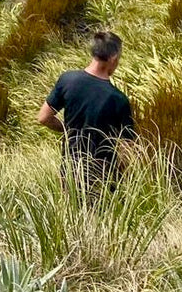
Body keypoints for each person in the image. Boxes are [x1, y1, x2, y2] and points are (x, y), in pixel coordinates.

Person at [37, 29, 135, 185]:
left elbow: (43, 117)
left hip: (71, 171)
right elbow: (127, 148)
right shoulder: (119, 100)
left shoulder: (67, 80)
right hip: (103, 176)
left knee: (70, 208)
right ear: (113, 58)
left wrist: (68, 129)